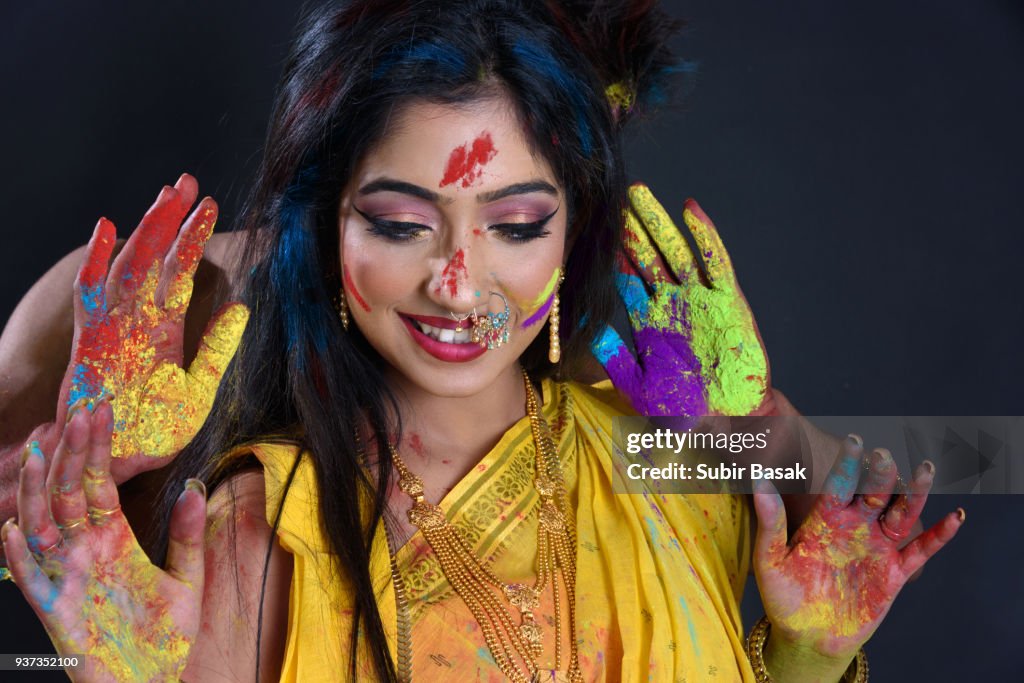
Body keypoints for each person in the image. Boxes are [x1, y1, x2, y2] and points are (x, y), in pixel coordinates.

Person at [0, 1, 963, 681]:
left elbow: (962, 461)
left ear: (574, 226)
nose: (459, 285)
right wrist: (88, 471)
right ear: (329, 222)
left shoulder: (668, 461)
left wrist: (810, 649)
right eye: (399, 223)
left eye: (514, 225)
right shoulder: (253, 531)